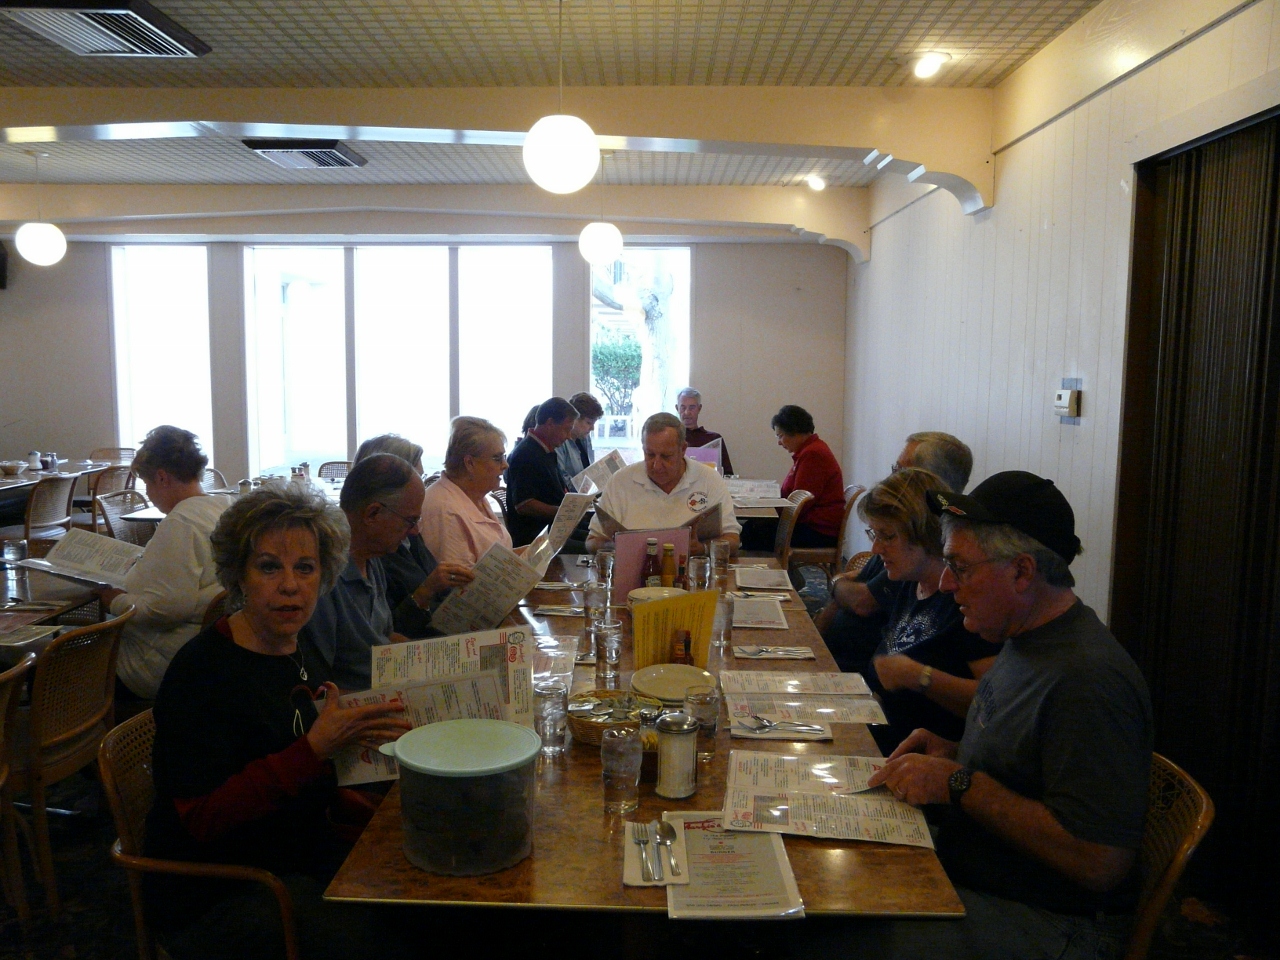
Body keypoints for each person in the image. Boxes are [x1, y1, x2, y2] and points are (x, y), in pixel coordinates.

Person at [833, 471, 1153, 960]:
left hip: (1051, 922)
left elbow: (1100, 861)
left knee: (830, 930)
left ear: (1022, 572)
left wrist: (960, 782)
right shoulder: (1023, 639)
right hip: (976, 865)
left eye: (959, 568)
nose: (946, 583)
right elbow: (1026, 767)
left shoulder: (1087, 680)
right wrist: (951, 752)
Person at [145, 482, 413, 960]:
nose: (290, 585)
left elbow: (299, 765)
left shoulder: (297, 643)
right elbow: (203, 819)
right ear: (238, 576)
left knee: (427, 887)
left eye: (305, 568)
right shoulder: (202, 672)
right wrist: (315, 750)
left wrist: (357, 793)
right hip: (224, 889)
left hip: (294, 849)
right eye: (269, 567)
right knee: (386, 934)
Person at [856, 467, 1000, 753]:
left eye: (888, 536)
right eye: (874, 534)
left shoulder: (963, 601)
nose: (875, 548)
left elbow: (995, 703)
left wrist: (920, 676)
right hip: (879, 740)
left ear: (925, 534)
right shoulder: (910, 584)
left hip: (923, 759)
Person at [300, 454, 472, 690]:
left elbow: (386, 637)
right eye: (409, 521)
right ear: (373, 514)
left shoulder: (372, 558)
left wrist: (438, 663)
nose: (414, 531)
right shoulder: (323, 580)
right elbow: (321, 686)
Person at [96, 425, 234, 700]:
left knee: (61, 659)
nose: (148, 493)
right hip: (210, 654)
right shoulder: (226, 507)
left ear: (162, 477)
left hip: (161, 664)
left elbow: (165, 609)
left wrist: (114, 601)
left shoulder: (181, 523)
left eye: (147, 484)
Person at [819, 431, 973, 674]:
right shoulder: (912, 578)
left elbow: (861, 602)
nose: (892, 477)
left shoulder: (923, 572)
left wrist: (836, 581)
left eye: (900, 470)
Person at [585, 412, 741, 553]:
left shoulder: (708, 479)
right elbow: (592, 542)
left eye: (666, 456)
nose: (657, 465)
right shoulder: (620, 481)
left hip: (690, 570)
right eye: (650, 455)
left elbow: (733, 539)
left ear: (683, 449)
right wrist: (618, 546)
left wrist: (703, 548)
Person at [350, 434, 448, 637]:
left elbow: (385, 634)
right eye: (416, 479)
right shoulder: (375, 549)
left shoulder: (405, 534)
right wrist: (426, 591)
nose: (422, 489)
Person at [420, 416, 515, 565]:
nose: (505, 465)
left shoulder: (474, 495)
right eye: (497, 458)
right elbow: (458, 577)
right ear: (470, 463)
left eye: (504, 457)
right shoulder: (445, 511)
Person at [504, 396, 581, 548]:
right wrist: (565, 513)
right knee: (600, 545)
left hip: (554, 529)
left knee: (599, 536)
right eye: (567, 429)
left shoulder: (544, 450)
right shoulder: (526, 454)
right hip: (538, 538)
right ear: (550, 423)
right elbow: (524, 504)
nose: (568, 436)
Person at [773, 404, 845, 546]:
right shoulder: (811, 450)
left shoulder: (813, 454)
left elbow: (801, 503)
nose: (779, 443)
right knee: (754, 527)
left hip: (818, 531)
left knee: (751, 531)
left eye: (780, 436)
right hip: (813, 526)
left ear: (794, 431)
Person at [675, 387, 734, 475]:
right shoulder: (672, 438)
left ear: (699, 408)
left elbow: (727, 475)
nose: (687, 412)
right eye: (683, 407)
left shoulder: (714, 439)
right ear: (677, 408)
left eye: (692, 408)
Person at [557, 391, 602, 488]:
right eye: (589, 423)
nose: (592, 428)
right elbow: (562, 481)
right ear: (574, 419)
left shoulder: (585, 437)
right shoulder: (559, 442)